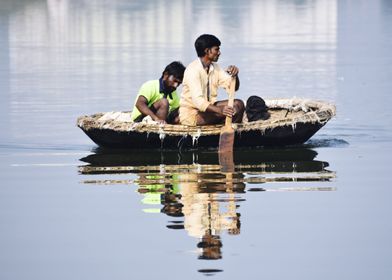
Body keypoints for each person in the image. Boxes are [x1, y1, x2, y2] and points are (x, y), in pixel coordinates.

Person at [179, 34, 245, 126]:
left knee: (239, 104)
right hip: (192, 115)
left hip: (209, 108)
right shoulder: (193, 70)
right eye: (216, 49)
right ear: (207, 51)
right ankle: (225, 129)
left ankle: (231, 132)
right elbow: (198, 102)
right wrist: (220, 110)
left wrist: (235, 76)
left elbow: (233, 88)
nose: (219, 53)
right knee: (227, 112)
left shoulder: (215, 67)